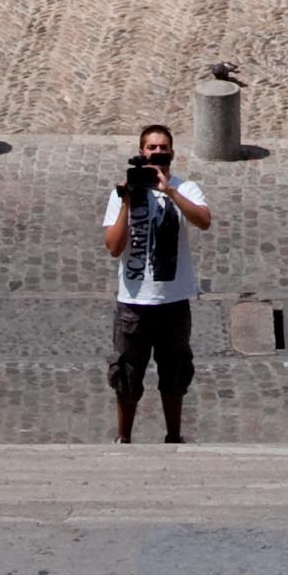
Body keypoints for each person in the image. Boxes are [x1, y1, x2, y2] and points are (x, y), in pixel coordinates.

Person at [104, 119, 211, 443]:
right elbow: (113, 247)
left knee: (175, 373)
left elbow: (204, 220)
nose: (158, 151)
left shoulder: (185, 187)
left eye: (163, 147)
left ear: (172, 153)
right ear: (141, 152)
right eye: (152, 147)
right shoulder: (122, 193)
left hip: (173, 301)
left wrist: (170, 191)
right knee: (127, 375)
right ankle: (124, 438)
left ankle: (173, 436)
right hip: (134, 304)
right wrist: (126, 201)